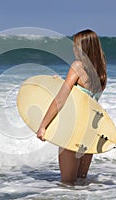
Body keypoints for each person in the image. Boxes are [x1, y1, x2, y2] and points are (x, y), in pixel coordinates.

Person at [36, 29, 107, 184]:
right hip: (90, 131)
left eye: (76, 46)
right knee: (81, 182)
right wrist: (63, 82)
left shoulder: (78, 66)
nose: (73, 49)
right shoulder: (101, 71)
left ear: (84, 48)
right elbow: (84, 97)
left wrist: (43, 125)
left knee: (67, 184)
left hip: (73, 130)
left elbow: (61, 99)